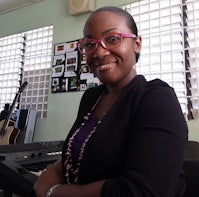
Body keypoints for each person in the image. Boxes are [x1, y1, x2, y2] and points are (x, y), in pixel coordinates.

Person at [34, 6, 188, 197]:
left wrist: (55, 192)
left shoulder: (156, 99)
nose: (99, 53)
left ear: (137, 44)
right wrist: (56, 170)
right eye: (90, 44)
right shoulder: (92, 97)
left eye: (113, 39)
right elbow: (85, 149)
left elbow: (142, 191)